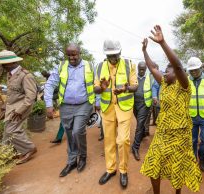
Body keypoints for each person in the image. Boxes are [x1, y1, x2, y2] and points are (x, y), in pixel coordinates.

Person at [140, 25, 202, 194]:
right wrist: (145, 51)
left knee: (178, 167)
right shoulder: (164, 84)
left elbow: (179, 66)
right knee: (153, 163)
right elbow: (152, 67)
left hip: (180, 134)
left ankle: (177, 192)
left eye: (169, 71)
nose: (165, 73)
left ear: (177, 73)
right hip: (163, 133)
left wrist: (163, 43)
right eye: (165, 71)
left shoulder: (184, 86)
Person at [44, 44, 95, 177]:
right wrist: (49, 104)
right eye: (69, 55)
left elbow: (96, 84)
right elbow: (49, 84)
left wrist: (98, 102)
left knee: (78, 130)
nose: (71, 57)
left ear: (80, 53)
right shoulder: (61, 66)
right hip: (65, 106)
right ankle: (72, 161)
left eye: (74, 54)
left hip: (84, 104)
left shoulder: (89, 66)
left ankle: (83, 156)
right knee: (69, 132)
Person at [95, 39, 138, 188]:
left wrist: (126, 89)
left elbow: (135, 87)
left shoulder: (129, 65)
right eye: (110, 55)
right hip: (107, 109)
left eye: (115, 54)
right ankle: (110, 169)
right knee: (109, 141)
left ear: (120, 52)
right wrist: (101, 87)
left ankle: (123, 170)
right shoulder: (99, 66)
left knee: (123, 140)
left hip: (124, 108)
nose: (113, 58)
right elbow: (95, 89)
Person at [0, 50, 37, 165]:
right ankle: (6, 153)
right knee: (7, 130)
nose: (2, 66)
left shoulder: (26, 75)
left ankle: (29, 148)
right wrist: (4, 107)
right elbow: (12, 94)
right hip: (12, 107)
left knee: (12, 129)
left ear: (11, 63)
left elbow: (31, 96)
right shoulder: (10, 75)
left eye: (4, 64)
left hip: (21, 107)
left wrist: (19, 111)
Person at [132, 61, 153, 161]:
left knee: (139, 125)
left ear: (146, 69)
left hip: (144, 104)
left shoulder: (149, 78)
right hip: (134, 104)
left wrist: (155, 97)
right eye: (140, 69)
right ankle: (143, 131)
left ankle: (135, 147)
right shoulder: (133, 77)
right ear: (137, 69)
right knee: (139, 122)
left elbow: (154, 88)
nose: (141, 71)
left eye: (143, 69)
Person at [41, 71, 65, 144]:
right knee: (64, 120)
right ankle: (59, 137)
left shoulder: (56, 78)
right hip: (63, 102)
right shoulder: (50, 80)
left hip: (71, 100)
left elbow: (57, 91)